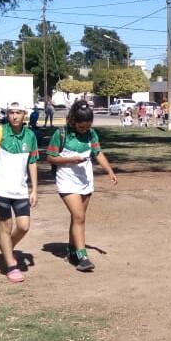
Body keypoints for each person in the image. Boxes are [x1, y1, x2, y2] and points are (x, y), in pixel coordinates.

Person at [46, 100, 117, 272]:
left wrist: (109, 170)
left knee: (78, 218)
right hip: (66, 180)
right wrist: (70, 159)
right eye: (81, 127)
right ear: (73, 121)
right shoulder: (61, 134)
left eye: (87, 127)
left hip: (85, 180)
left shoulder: (91, 134)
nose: (84, 130)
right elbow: (50, 157)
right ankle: (82, 257)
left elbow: (97, 152)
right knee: (79, 217)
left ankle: (71, 250)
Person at [0, 102, 39, 283]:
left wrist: (34, 189)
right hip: (0, 188)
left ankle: (6, 247)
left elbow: (33, 162)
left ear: (25, 115)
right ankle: (11, 266)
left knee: (23, 226)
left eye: (18, 113)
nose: (14, 116)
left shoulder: (30, 135)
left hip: (20, 189)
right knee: (6, 226)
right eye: (11, 112)